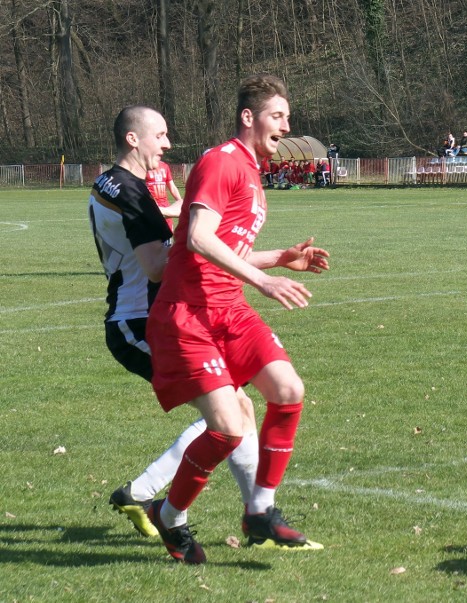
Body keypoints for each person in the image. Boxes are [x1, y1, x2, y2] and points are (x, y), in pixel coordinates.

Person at [145, 73, 330, 564]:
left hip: (229, 307)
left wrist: (278, 260)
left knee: (288, 390)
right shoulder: (221, 161)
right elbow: (199, 238)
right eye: (278, 116)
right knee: (227, 429)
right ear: (248, 117)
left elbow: (225, 246)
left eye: (288, 117)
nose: (286, 126)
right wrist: (263, 281)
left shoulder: (253, 173)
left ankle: (260, 512)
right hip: (189, 313)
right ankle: (169, 516)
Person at [88, 105, 261, 542]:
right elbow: (156, 267)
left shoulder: (114, 182)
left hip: (152, 318)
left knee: (236, 409)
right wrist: (192, 228)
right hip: (139, 322)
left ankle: (255, 513)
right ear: (133, 139)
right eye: (160, 135)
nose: (167, 144)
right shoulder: (129, 190)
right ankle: (251, 514)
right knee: (229, 414)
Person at [145, 161, 183, 230]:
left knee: (168, 235)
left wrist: (180, 202)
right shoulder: (144, 165)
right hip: (151, 207)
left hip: (166, 208)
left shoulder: (164, 166)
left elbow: (172, 186)